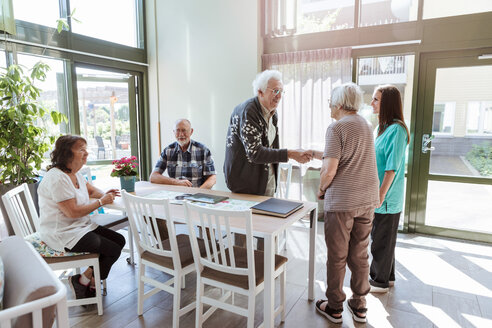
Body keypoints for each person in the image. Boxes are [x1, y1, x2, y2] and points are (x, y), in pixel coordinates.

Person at [312, 83, 379, 324]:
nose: (329, 105)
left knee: (337, 255)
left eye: (330, 101)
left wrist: (321, 189)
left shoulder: (336, 127)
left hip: (342, 202)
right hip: (367, 199)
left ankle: (334, 306)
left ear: (339, 104)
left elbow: (330, 170)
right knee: (360, 254)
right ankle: (360, 305)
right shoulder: (366, 125)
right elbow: (354, 156)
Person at [37, 135, 126, 300]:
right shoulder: (57, 178)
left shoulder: (75, 173)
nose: (86, 153)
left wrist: (106, 195)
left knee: (119, 241)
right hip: (62, 233)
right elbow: (73, 212)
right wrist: (101, 202)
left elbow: (91, 190)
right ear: (67, 153)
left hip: (80, 227)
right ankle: (88, 284)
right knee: (111, 249)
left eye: (86, 149)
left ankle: (83, 280)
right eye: (81, 149)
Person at [224, 69, 312, 196]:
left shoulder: (272, 112)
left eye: (281, 91)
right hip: (245, 182)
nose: (279, 96)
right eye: (275, 91)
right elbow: (255, 153)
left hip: (266, 179)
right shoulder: (248, 112)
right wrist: (291, 153)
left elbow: (271, 147)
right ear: (260, 92)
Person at [369, 85, 409, 293]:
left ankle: (379, 281)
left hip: (387, 197)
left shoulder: (397, 130)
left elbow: (391, 168)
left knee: (381, 241)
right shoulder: (381, 128)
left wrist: (380, 195)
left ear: (387, 104)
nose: (372, 103)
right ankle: (388, 277)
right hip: (379, 194)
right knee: (386, 238)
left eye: (376, 99)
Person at [150, 119, 216, 189]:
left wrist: (198, 193)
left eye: (184, 130)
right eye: (178, 130)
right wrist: (176, 182)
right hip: (175, 195)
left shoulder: (203, 150)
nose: (181, 134)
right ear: (174, 132)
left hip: (197, 194)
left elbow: (212, 178)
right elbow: (153, 177)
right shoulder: (168, 150)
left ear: (191, 131)